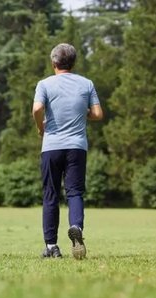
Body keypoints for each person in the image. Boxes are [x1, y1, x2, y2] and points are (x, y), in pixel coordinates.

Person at [32, 43, 103, 259]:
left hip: (52, 147)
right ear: (73, 63)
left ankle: (52, 246)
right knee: (74, 192)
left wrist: (40, 127)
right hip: (77, 147)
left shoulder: (44, 84)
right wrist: (83, 115)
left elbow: (37, 109)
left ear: (53, 63)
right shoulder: (86, 83)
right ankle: (76, 228)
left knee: (51, 194)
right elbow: (98, 114)